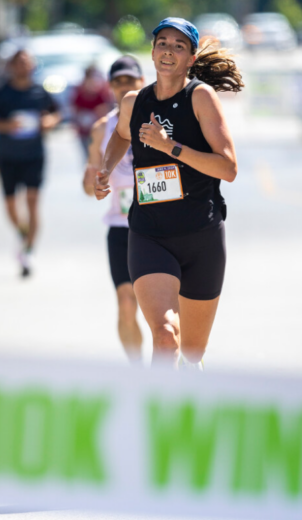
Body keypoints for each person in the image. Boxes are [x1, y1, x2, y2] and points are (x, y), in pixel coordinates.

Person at [95, 17, 243, 370]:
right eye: (163, 42)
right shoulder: (134, 103)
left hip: (201, 236)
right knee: (164, 337)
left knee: (191, 355)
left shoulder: (200, 98)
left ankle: (188, 406)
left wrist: (169, 147)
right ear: (152, 50)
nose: (168, 51)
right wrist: (105, 167)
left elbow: (228, 168)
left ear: (190, 58)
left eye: (179, 46)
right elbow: (120, 135)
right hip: (150, 235)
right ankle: (157, 415)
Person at [83, 56, 146, 364]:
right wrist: (91, 178)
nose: (124, 87)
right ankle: (136, 371)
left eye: (129, 80)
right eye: (118, 81)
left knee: (167, 307)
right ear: (110, 87)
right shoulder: (101, 128)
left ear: (141, 82)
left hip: (159, 226)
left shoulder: (157, 119)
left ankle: (178, 361)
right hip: (121, 229)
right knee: (125, 302)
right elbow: (88, 186)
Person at [0, 49, 62, 277]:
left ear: (33, 66)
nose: (23, 66)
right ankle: (23, 232)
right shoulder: (1, 93)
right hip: (7, 156)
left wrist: (48, 122)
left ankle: (28, 252)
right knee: (10, 206)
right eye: (19, 62)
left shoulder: (40, 92)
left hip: (34, 155)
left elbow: (56, 114)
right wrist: (5, 126)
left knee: (33, 202)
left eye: (27, 62)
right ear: (11, 66)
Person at [71, 65, 112, 158]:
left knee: (102, 157)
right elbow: (75, 111)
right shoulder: (79, 92)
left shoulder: (102, 93)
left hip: (100, 131)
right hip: (85, 132)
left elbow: (106, 111)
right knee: (88, 158)